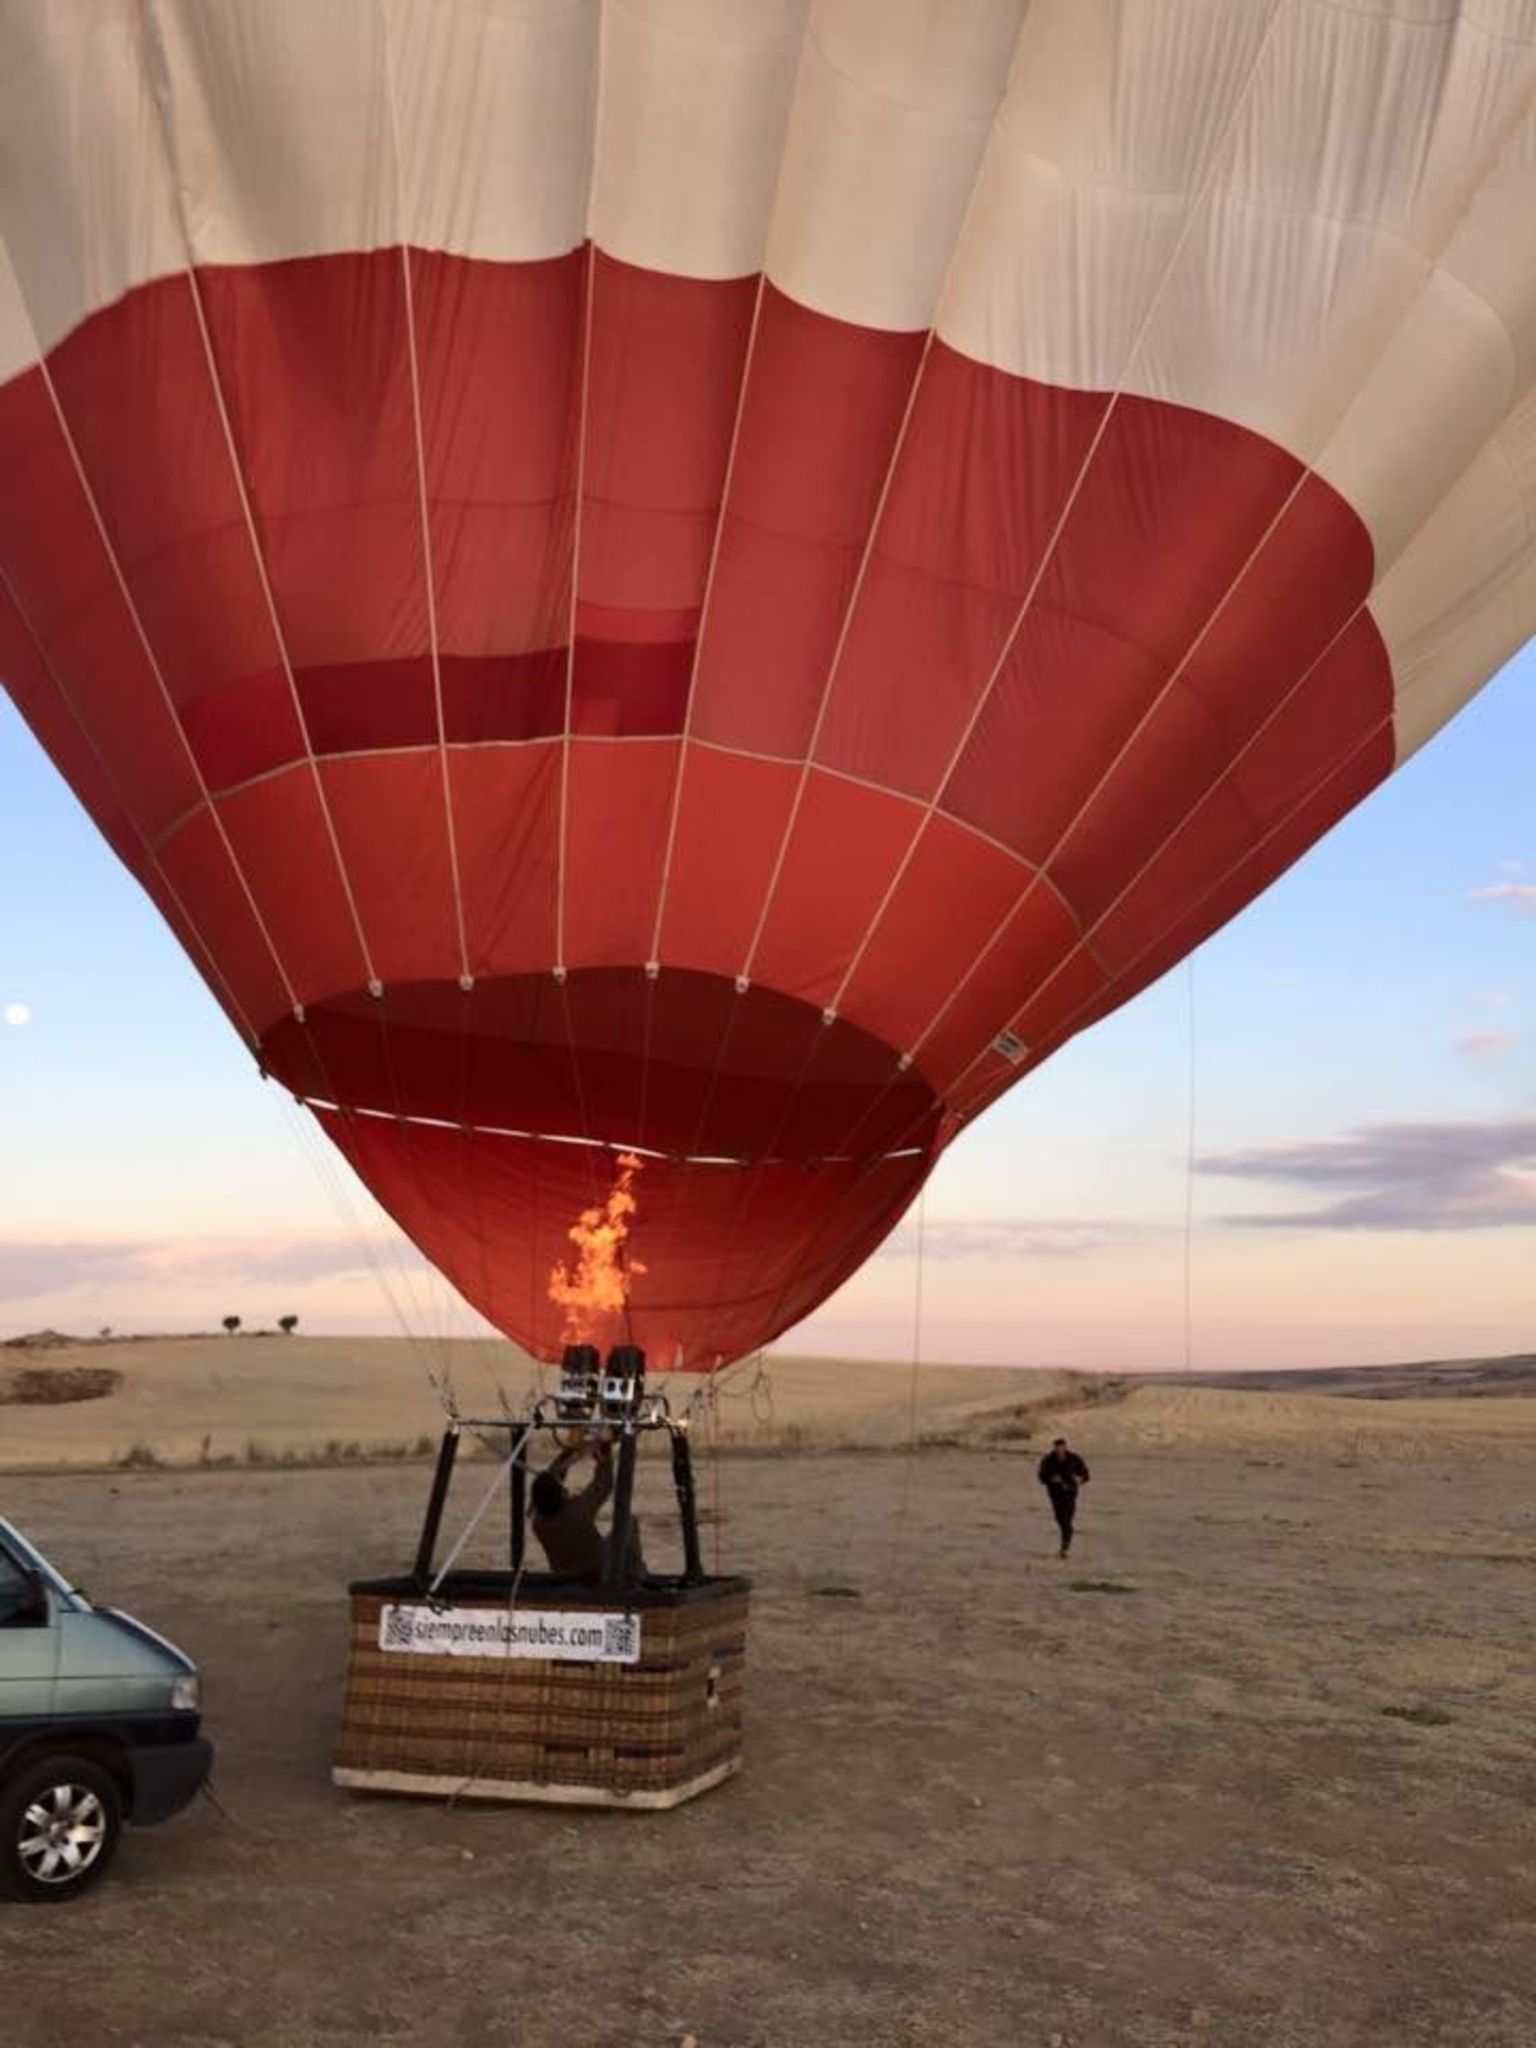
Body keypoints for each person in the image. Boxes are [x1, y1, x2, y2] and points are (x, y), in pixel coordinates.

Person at [529, 1438, 646, 1585]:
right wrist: (604, 1459)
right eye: (562, 1489)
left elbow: (551, 1482)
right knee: (629, 1522)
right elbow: (603, 1485)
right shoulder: (576, 1512)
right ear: (560, 1493)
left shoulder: (539, 1523)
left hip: (563, 1575)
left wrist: (568, 1452)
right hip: (597, 1572)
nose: (565, 1489)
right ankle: (636, 1576)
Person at [1037, 1436, 1090, 1558]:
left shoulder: (1074, 1459)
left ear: (1065, 1447)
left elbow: (1086, 1475)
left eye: (1062, 1448)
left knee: (1067, 1519)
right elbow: (1041, 1476)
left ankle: (1065, 1546)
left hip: (1070, 1493)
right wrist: (1051, 1479)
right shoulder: (1048, 1460)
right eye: (1057, 1448)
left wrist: (1080, 1479)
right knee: (1059, 1519)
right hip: (1055, 1495)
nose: (1060, 1451)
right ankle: (1066, 1540)